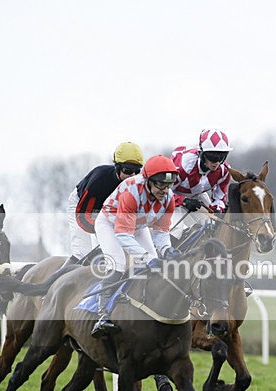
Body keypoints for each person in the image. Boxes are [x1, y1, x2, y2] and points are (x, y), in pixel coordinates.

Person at [91, 154, 182, 337]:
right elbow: (123, 235)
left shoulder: (168, 198)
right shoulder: (131, 192)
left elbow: (161, 231)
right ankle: (102, 315)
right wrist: (147, 258)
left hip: (138, 225)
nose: (165, 190)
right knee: (118, 264)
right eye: (160, 184)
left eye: (168, 185)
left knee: (155, 263)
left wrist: (167, 250)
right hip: (110, 223)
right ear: (148, 180)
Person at [65, 142, 144, 270]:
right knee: (82, 252)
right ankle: (51, 284)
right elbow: (84, 218)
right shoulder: (99, 180)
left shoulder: (137, 184)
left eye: (137, 171)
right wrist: (107, 230)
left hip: (107, 212)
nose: (133, 176)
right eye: (128, 171)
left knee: (110, 251)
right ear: (117, 167)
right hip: (82, 207)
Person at [169, 129, 233, 239]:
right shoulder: (185, 164)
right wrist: (183, 201)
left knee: (214, 227)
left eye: (221, 157)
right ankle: (165, 254)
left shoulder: (224, 171)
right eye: (212, 157)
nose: (217, 162)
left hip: (197, 195)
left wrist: (218, 208)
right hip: (172, 196)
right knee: (176, 230)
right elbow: (163, 190)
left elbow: (220, 196)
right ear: (202, 153)